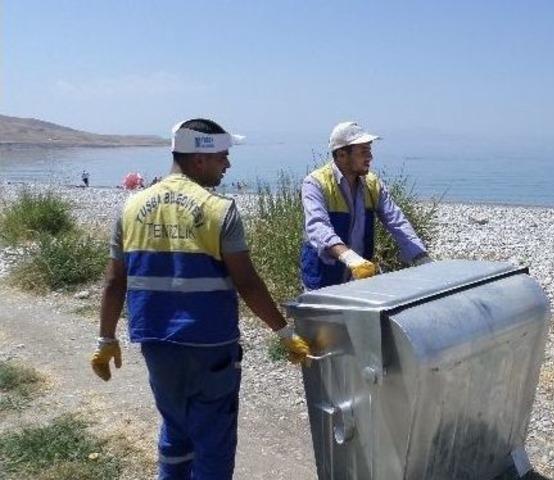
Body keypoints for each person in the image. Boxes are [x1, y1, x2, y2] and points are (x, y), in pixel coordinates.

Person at [90, 118, 311, 479]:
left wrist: (106, 339)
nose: (228, 164)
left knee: (175, 429)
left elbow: (115, 282)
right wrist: (285, 334)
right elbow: (248, 283)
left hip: (156, 342)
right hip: (210, 344)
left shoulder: (131, 208)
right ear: (199, 160)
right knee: (214, 440)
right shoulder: (219, 209)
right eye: (223, 156)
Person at [300, 121, 431, 290]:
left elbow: (397, 222)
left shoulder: (373, 184)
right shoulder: (315, 183)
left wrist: (421, 257)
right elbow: (318, 226)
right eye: (363, 152)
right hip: (322, 280)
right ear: (341, 155)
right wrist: (348, 257)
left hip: (359, 280)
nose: (370, 157)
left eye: (369, 151)